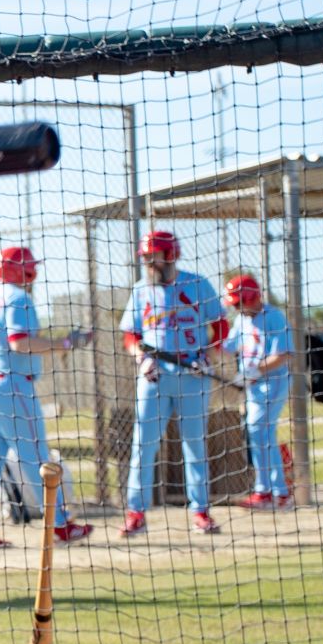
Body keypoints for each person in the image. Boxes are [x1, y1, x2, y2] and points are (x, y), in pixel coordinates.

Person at [0, 245, 93, 548]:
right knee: (35, 457)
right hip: (11, 387)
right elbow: (20, 343)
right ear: (24, 270)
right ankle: (59, 526)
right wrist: (66, 343)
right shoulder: (19, 298)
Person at [116, 228, 226, 537]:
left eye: (154, 257)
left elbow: (221, 325)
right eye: (146, 258)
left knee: (195, 444)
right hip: (155, 375)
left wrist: (208, 355)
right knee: (144, 444)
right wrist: (141, 357)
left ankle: (200, 512)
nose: (149, 263)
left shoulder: (197, 284)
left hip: (192, 373)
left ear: (170, 255)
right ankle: (136, 513)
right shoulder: (141, 290)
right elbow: (130, 335)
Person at [221, 275, 295, 508]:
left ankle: (276, 492)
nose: (236, 307)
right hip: (252, 385)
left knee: (260, 431)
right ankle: (270, 491)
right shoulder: (241, 321)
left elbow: (283, 354)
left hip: (273, 383)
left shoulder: (273, 317)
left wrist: (255, 370)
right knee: (259, 434)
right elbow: (226, 347)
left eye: (240, 302)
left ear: (252, 297)